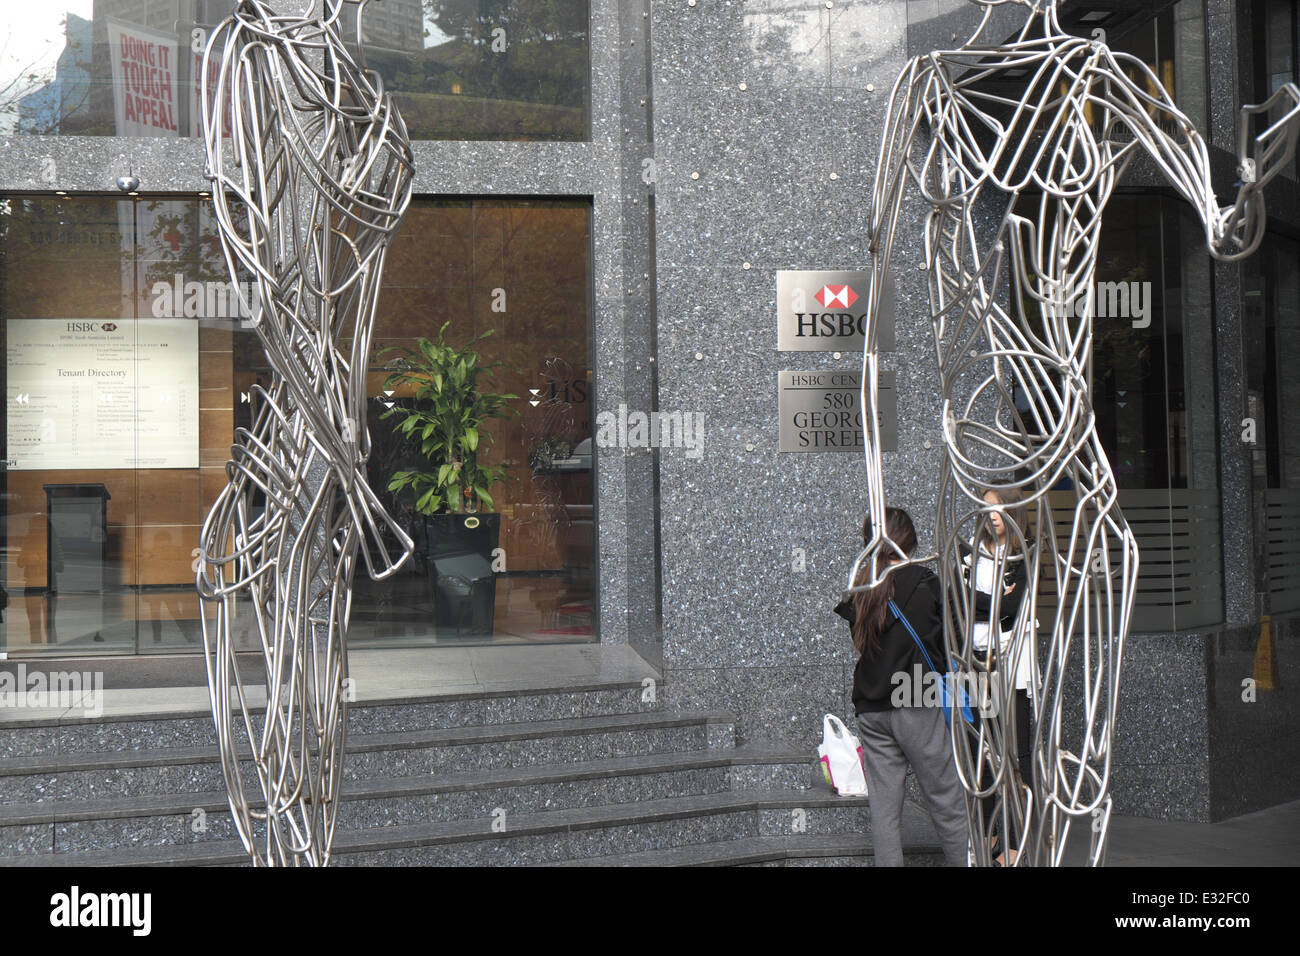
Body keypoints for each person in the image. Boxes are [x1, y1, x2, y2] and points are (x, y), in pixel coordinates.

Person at [835, 507, 969, 866]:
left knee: (884, 812)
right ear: (909, 540)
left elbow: (864, 647)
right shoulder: (925, 583)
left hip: (871, 705)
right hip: (914, 696)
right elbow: (947, 644)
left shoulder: (860, 588)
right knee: (946, 802)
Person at [961, 487, 1034, 865]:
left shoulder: (1024, 553)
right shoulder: (968, 553)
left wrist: (980, 601)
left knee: (1015, 752)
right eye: (987, 508)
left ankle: (1015, 842)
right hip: (973, 663)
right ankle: (991, 838)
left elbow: (1010, 608)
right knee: (981, 754)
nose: (993, 515)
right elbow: (958, 602)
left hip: (1009, 665)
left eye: (1000, 508)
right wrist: (990, 603)